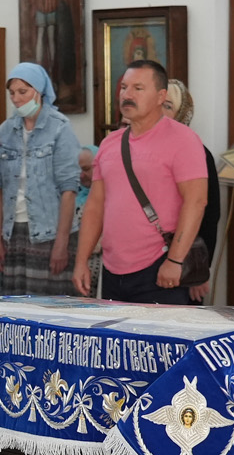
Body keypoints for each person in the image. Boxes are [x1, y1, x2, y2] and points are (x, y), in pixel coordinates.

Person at [76, 59, 209, 305]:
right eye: (124, 87)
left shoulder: (184, 140)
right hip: (113, 269)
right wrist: (81, 260)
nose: (127, 95)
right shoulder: (109, 144)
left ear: (161, 96)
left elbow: (196, 201)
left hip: (159, 266)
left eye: (138, 88)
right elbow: (95, 206)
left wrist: (175, 260)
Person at [0, 61, 81, 297]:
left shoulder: (60, 128)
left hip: (50, 231)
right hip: (13, 231)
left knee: (49, 305)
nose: (16, 99)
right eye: (12, 93)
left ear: (39, 91)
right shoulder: (5, 130)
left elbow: (69, 189)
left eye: (23, 91)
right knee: (16, 305)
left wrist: (61, 243)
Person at [163, 79, 222, 303]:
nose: (160, 111)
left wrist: (201, 269)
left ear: (182, 113)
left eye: (168, 106)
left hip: (185, 264)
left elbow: (209, 216)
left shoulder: (198, 152)